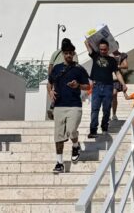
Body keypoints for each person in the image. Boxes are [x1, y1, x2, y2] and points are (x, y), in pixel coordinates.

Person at [47, 40, 89, 173]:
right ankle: (59, 163)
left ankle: (75, 145)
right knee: (58, 136)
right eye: (66, 53)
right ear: (63, 54)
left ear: (73, 54)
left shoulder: (79, 69)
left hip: (74, 106)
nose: (69, 55)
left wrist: (78, 85)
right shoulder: (57, 68)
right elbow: (49, 82)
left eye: (71, 53)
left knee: (71, 131)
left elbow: (87, 86)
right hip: (59, 106)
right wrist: (50, 91)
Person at [85, 38, 127, 138]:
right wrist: (92, 36)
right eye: (101, 49)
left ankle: (104, 127)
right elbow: (86, 43)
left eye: (104, 49)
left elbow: (117, 73)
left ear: (108, 49)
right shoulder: (95, 55)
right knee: (95, 109)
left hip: (108, 86)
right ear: (99, 49)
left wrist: (123, 84)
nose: (103, 51)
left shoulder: (112, 60)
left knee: (107, 109)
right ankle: (93, 130)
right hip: (96, 86)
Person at [47, 38, 79, 120]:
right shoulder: (72, 53)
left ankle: (53, 108)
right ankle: (54, 108)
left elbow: (50, 66)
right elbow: (76, 64)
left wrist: (50, 77)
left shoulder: (57, 53)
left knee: (56, 92)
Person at [111, 46, 128, 120]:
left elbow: (126, 65)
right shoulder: (107, 54)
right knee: (108, 97)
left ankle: (114, 114)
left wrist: (117, 66)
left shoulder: (122, 55)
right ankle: (107, 114)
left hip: (116, 78)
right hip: (107, 78)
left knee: (114, 94)